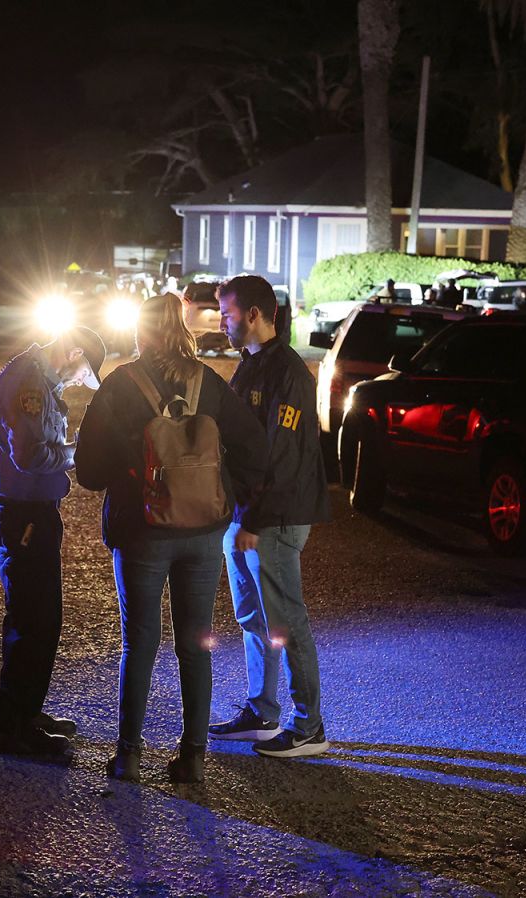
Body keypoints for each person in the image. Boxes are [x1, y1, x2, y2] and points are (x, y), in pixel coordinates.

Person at [75, 294, 266, 784]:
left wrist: (131, 466)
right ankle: (194, 757)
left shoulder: (121, 384)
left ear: (141, 332)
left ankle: (129, 756)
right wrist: (226, 492)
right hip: (204, 531)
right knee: (195, 643)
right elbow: (254, 447)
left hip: (142, 531)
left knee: (139, 643)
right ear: (180, 328)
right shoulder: (209, 383)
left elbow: (90, 471)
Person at [209, 274, 332, 758]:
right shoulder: (250, 366)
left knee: (286, 619)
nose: (221, 322)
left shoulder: (288, 373)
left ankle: (309, 728)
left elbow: (281, 456)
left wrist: (255, 521)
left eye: (227, 313)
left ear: (255, 315)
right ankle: (263, 712)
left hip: (273, 518)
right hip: (247, 515)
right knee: (253, 616)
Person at [0, 326, 106, 758]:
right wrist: (77, 453)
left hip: (31, 514)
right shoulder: (31, 382)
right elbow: (31, 455)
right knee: (31, 623)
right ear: (72, 351)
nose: (75, 382)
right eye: (79, 373)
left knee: (42, 621)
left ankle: (26, 713)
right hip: (23, 517)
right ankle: (12, 729)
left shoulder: (35, 377)